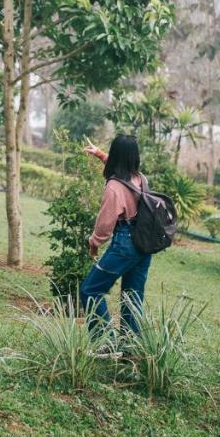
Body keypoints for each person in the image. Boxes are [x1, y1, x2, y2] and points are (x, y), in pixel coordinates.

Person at [78, 134, 153, 337]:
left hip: (125, 244)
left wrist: (93, 244)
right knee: (132, 297)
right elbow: (123, 171)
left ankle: (105, 341)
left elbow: (104, 226)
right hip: (144, 246)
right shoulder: (141, 179)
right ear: (134, 157)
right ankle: (130, 348)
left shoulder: (114, 187)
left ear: (116, 155)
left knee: (90, 290)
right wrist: (101, 155)